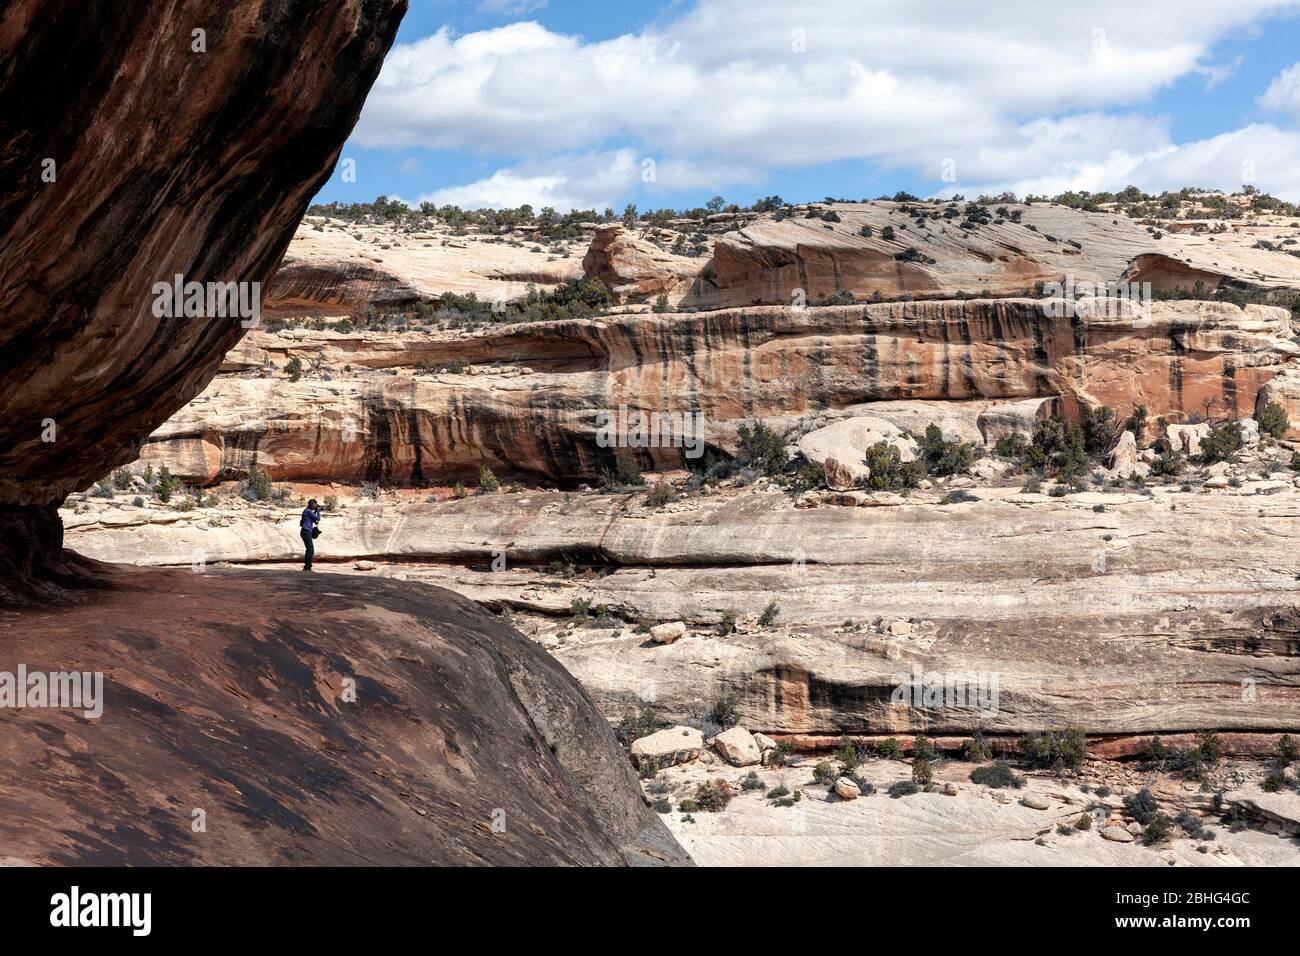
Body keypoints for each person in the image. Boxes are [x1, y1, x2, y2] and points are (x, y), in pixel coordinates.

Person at [300, 498, 322, 571]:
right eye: (315, 505)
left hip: (306, 531)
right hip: (306, 531)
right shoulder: (308, 511)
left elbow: (314, 520)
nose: (315, 506)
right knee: (310, 549)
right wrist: (318, 511)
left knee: (309, 549)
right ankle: (307, 567)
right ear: (311, 504)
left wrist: (316, 511)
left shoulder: (307, 511)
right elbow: (318, 518)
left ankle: (307, 566)